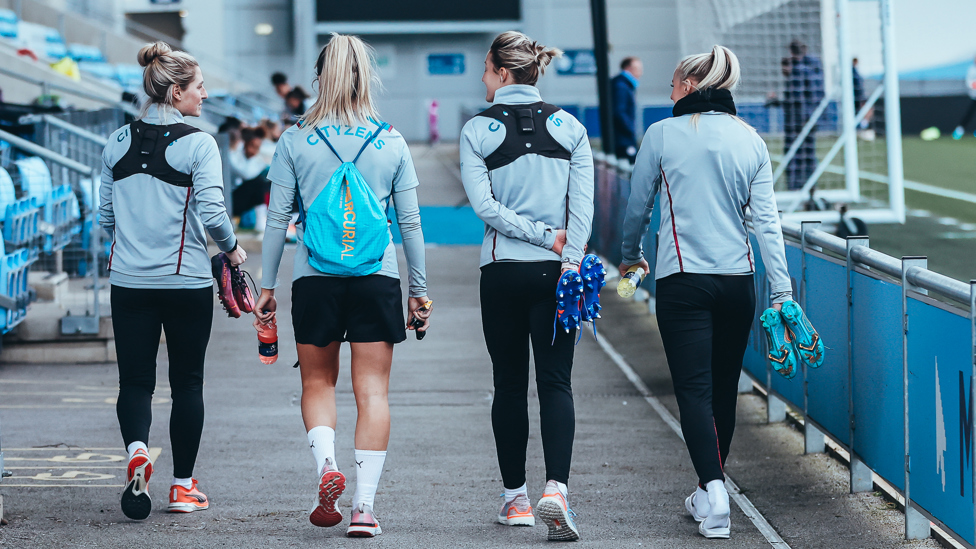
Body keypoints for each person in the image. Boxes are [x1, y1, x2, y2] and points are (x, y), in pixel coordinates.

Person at [253, 33, 430, 538]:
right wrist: (418, 290)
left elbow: (276, 221)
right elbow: (411, 225)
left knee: (317, 383)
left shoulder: (293, 139)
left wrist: (267, 286)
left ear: (318, 77)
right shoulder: (391, 139)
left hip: (314, 277)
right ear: (366, 78)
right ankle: (364, 508)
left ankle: (326, 464)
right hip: (377, 278)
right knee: (373, 390)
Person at [618, 45, 792, 540]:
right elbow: (769, 227)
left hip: (683, 281)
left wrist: (630, 255)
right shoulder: (750, 140)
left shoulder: (662, 134)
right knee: (722, 391)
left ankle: (715, 492)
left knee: (693, 392)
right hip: (739, 282)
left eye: (673, 84)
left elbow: (637, 207)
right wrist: (782, 292)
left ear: (690, 85)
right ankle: (707, 492)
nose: (669, 92)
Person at [100, 41, 247, 521]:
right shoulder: (199, 143)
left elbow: (106, 217)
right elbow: (212, 213)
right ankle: (182, 487)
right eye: (200, 88)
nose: (205, 96)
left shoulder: (116, 142)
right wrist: (231, 249)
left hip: (128, 280)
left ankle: (138, 450)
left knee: (135, 381)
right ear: (178, 91)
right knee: (187, 383)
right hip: (184, 281)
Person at [459, 30, 593, 542]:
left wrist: (539, 238)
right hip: (558, 273)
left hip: (503, 271)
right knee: (556, 383)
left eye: (485, 67)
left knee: (510, 385)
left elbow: (485, 209)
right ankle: (556, 489)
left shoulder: (477, 129)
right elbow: (582, 209)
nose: (482, 75)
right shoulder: (571, 127)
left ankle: (515, 499)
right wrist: (568, 256)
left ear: (501, 71)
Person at [783, 40, 824, 190]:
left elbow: (796, 99)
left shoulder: (798, 71)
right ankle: (810, 185)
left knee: (794, 152)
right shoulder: (812, 70)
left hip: (798, 119)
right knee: (808, 152)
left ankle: (795, 186)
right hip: (809, 118)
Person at [229, 126, 270, 231]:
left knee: (264, 183)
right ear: (244, 143)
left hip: (238, 200)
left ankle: (262, 221)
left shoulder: (256, 159)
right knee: (258, 183)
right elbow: (246, 174)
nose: (254, 151)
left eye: (257, 148)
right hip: (227, 200)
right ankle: (260, 223)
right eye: (252, 146)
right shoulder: (233, 155)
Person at [612, 56, 642, 163]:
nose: (640, 73)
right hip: (623, 140)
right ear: (629, 68)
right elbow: (619, 112)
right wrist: (630, 130)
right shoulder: (622, 86)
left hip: (621, 138)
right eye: (638, 69)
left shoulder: (622, 84)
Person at [952, 55, 976, 139]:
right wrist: (973, 84)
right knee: (969, 115)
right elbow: (969, 83)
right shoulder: (972, 70)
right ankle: (959, 131)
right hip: (974, 96)